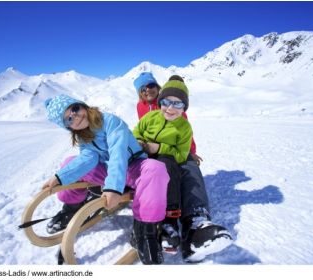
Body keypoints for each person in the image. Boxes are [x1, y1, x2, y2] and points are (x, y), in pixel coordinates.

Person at [43, 94, 169, 264]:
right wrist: (60, 177)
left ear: (82, 105)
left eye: (74, 109)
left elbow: (119, 153)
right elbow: (88, 159)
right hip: (110, 173)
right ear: (68, 127)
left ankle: (145, 229)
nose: (75, 116)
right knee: (69, 163)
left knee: (155, 169)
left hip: (132, 168)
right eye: (68, 120)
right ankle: (71, 208)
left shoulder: (110, 121)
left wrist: (112, 188)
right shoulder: (83, 135)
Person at [133, 73, 233, 262]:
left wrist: (189, 152)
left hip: (173, 149)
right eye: (143, 88)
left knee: (188, 167)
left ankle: (195, 223)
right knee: (165, 168)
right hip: (149, 152)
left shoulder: (177, 111)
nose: (148, 90)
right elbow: (138, 131)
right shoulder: (144, 109)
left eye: (151, 86)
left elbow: (184, 137)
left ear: (158, 87)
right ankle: (164, 220)